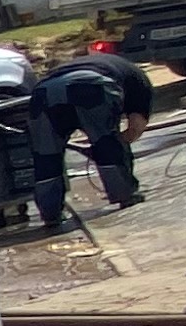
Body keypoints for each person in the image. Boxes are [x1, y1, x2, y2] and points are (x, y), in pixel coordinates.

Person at [23, 48, 153, 227]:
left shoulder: (109, 66)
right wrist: (113, 148)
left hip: (43, 92)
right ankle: (124, 195)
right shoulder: (140, 83)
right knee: (106, 142)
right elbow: (135, 128)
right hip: (90, 87)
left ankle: (50, 213)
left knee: (46, 154)